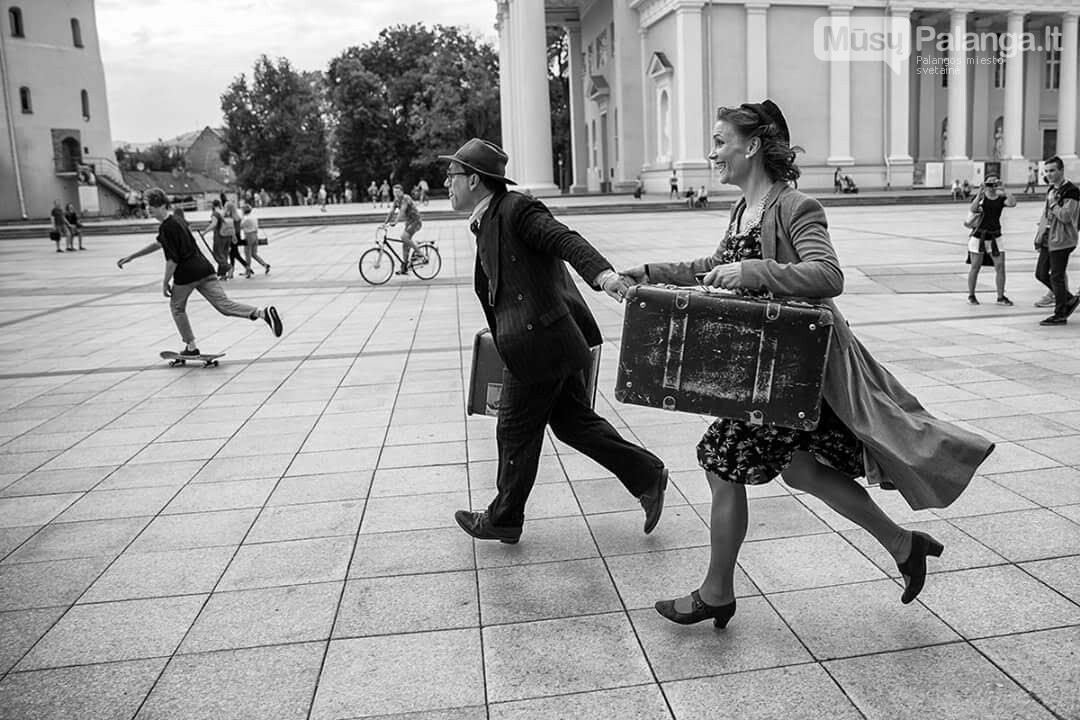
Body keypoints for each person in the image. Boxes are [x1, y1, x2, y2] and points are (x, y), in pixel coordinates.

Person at [619, 100, 995, 629]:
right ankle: (903, 544)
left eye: (720, 140)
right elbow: (714, 267)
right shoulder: (743, 209)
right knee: (799, 469)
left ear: (751, 146)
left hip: (791, 374)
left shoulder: (796, 206)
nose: (713, 152)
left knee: (719, 460)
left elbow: (826, 274)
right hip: (763, 372)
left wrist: (754, 271)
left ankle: (717, 591)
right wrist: (652, 272)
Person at [441, 138, 669, 544]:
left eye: (452, 175)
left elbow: (565, 239)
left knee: (514, 428)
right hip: (543, 341)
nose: (447, 182)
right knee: (574, 425)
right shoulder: (488, 217)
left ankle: (504, 518)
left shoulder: (516, 208)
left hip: (539, 344)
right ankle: (648, 474)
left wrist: (604, 276)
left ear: (474, 180)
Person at [116, 188, 282, 356]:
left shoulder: (167, 227)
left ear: (163, 206)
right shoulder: (177, 221)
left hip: (187, 275)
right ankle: (262, 313)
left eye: (153, 205)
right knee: (224, 306)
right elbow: (159, 244)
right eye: (147, 205)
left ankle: (191, 347)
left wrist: (165, 282)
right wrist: (132, 256)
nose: (149, 208)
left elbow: (172, 260)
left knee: (177, 308)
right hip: (205, 269)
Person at [1033, 156, 1080, 326]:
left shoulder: (1071, 191)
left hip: (1063, 240)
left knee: (1057, 277)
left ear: (1061, 170)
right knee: (1041, 273)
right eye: (1047, 171)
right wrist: (1039, 236)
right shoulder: (1052, 190)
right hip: (1048, 238)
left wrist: (1053, 204)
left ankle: (1060, 314)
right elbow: (1046, 215)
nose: (1049, 174)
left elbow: (1067, 216)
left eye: (1052, 170)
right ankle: (1068, 299)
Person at [965, 176, 1015, 306]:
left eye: (994, 183)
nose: (992, 185)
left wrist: (1003, 189)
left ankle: (1000, 296)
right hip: (979, 237)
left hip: (995, 237)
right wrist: (980, 191)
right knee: (975, 266)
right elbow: (973, 208)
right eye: (989, 183)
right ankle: (971, 295)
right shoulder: (981, 198)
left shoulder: (1000, 198)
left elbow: (1012, 203)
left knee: (1000, 266)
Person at [383, 183, 423, 275]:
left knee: (404, 237)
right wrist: (384, 223)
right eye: (394, 192)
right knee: (405, 245)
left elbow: (402, 211)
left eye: (398, 192)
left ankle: (420, 253)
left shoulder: (406, 198)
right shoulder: (396, 200)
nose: (396, 194)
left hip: (416, 221)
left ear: (402, 192)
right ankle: (404, 268)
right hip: (409, 222)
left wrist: (396, 222)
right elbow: (391, 211)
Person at [240, 203, 270, 276]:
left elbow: (241, 226)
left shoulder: (246, 218)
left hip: (248, 236)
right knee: (254, 254)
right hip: (255, 235)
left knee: (247, 254)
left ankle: (248, 271)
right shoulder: (254, 217)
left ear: (244, 211)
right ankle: (265, 265)